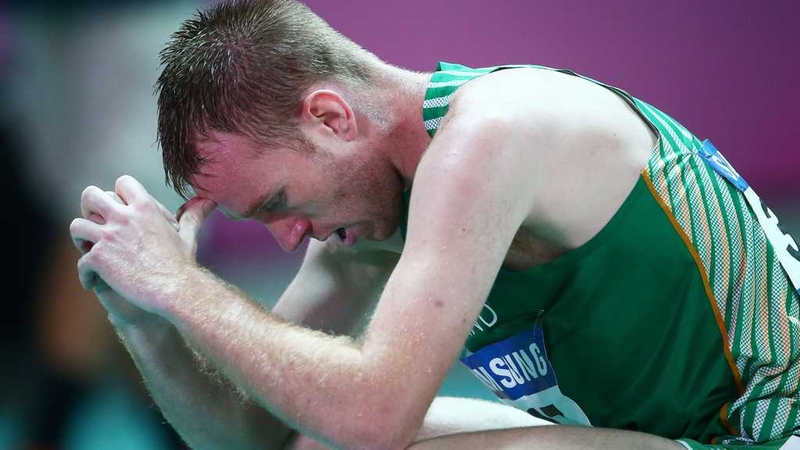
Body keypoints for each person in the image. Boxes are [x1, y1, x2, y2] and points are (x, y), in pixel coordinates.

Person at [68, 0, 800, 449]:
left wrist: (182, 282)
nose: (289, 239)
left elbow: (373, 415)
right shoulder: (368, 216)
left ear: (330, 117)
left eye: (278, 204)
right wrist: (143, 319)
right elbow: (261, 436)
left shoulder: (496, 132)